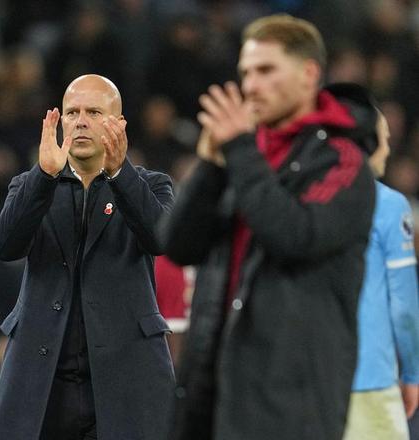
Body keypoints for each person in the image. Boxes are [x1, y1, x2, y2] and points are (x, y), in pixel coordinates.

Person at [160, 14, 376, 440]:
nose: (251, 86)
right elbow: (178, 244)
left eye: (265, 70)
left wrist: (240, 149)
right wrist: (211, 164)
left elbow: (295, 235)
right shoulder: (242, 155)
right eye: (245, 73)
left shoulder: (342, 159)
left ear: (309, 74)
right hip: (213, 393)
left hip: (291, 403)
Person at [0, 74, 175, 440]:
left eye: (94, 112)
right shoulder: (32, 184)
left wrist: (120, 174)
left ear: (118, 124)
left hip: (126, 378)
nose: (81, 121)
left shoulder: (151, 184)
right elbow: (3, 246)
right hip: (43, 379)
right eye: (72, 113)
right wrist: (44, 177)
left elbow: (161, 238)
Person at [328, 85, 419, 440]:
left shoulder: (299, 202)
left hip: (311, 382)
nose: (388, 147)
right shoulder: (389, 206)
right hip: (370, 382)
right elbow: (404, 307)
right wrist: (412, 373)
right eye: (383, 137)